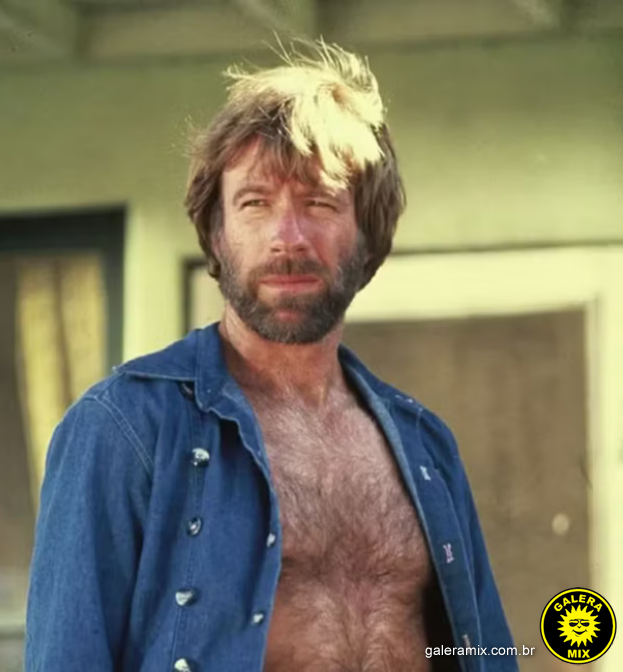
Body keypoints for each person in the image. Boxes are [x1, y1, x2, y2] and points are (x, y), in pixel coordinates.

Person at [25, 41, 516, 672]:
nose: (288, 238)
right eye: (255, 203)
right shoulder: (122, 428)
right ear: (216, 234)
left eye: (319, 202)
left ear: (370, 234)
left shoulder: (427, 448)